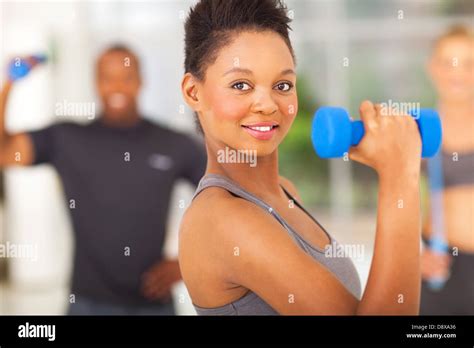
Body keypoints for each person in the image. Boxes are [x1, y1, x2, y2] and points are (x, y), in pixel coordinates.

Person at [178, 0, 422, 315]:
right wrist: (400, 176)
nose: (267, 105)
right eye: (241, 85)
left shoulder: (285, 191)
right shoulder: (223, 219)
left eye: (282, 85)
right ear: (193, 92)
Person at [0, 45, 206, 315]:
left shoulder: (174, 144)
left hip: (154, 306)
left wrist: (188, 264)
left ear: (141, 81)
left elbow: (226, 200)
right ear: (96, 83)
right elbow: (4, 152)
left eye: (126, 77)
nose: (117, 86)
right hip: (87, 304)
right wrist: (9, 84)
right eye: (108, 78)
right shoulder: (67, 139)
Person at [421, 25, 474, 315]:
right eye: (448, 63)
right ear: (433, 68)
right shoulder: (416, 134)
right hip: (440, 271)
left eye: (468, 64)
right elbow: (393, 205)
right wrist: (412, 258)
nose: (458, 73)